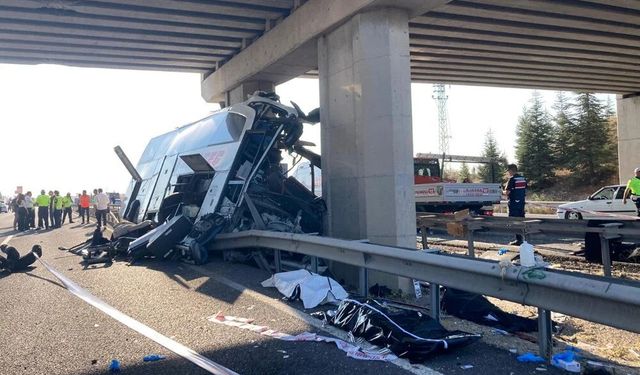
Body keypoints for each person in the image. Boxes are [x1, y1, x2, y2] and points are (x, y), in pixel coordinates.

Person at [503, 164, 527, 246]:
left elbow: (507, 192)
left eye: (508, 171)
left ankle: (518, 240)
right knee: (521, 221)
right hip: (521, 203)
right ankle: (523, 239)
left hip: (513, 203)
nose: (508, 173)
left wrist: (501, 192)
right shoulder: (523, 179)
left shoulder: (512, 179)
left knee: (514, 221)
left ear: (511, 170)